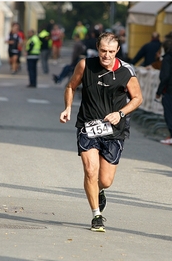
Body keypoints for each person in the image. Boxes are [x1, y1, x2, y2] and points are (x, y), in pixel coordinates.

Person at [59, 32, 143, 232]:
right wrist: (68, 107)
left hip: (114, 130)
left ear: (117, 51)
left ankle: (100, 190)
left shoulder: (126, 72)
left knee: (105, 180)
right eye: (103, 51)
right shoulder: (85, 65)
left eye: (111, 52)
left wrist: (120, 114)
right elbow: (71, 86)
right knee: (90, 171)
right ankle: (96, 215)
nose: (106, 55)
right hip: (88, 126)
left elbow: (137, 98)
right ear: (98, 49)